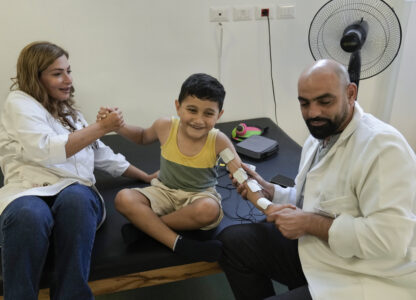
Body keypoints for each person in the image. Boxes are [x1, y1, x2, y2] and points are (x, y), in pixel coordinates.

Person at [218, 59, 416, 300]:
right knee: (232, 242)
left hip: (366, 276)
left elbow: (389, 240)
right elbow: (318, 201)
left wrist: (309, 223)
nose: (313, 113)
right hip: (322, 253)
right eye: (305, 103)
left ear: (350, 93)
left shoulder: (383, 147)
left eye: (325, 101)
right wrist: (272, 192)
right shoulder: (319, 137)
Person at [0, 41, 157, 300]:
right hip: (28, 189)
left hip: (73, 191)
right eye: (57, 73)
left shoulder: (70, 114)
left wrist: (144, 176)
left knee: (76, 199)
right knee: (28, 215)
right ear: (35, 77)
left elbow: (101, 154)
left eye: (69, 71)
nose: (68, 80)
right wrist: (102, 126)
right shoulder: (19, 103)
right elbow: (44, 149)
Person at [99, 73, 241, 262]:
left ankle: (146, 228)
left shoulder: (219, 140)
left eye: (208, 113)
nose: (198, 120)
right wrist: (118, 127)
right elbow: (142, 137)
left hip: (198, 196)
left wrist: (266, 203)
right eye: (192, 110)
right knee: (123, 198)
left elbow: (239, 172)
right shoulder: (165, 126)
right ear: (178, 107)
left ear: (219, 115)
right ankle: (179, 243)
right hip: (163, 190)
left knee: (209, 209)